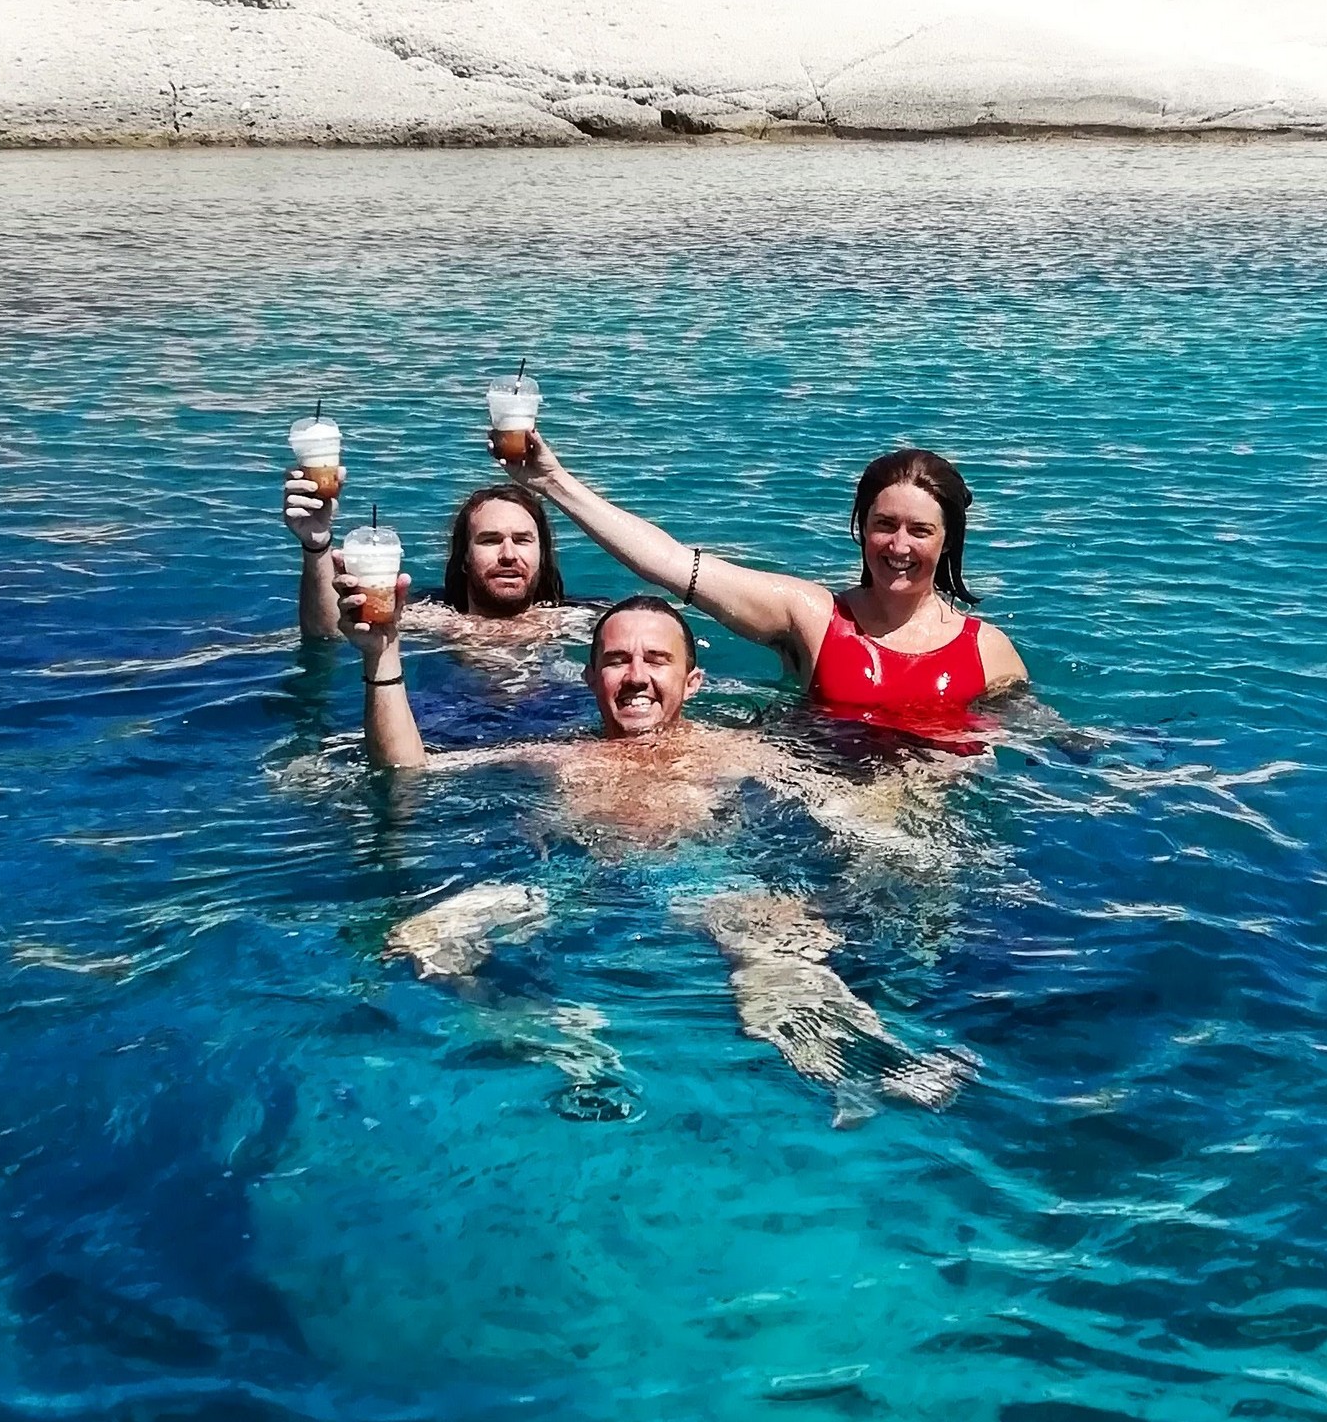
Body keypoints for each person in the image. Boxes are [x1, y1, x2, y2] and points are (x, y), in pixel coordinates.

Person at [341, 572, 971, 1110]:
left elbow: (835, 804)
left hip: (705, 881)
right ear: (590, 677)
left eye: (656, 660)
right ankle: (553, 1036)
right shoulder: (557, 757)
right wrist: (382, 657)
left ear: (692, 682)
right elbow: (408, 772)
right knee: (424, 939)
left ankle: (868, 1073)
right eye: (617, 660)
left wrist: (908, 834)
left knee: (776, 951)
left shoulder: (735, 751)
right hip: (571, 882)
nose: (636, 677)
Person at [493, 437, 1026, 733]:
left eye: (920, 530)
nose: (899, 546)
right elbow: (672, 563)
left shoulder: (988, 652)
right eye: (884, 525)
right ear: (862, 530)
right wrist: (551, 483)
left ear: (948, 541)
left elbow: (1033, 730)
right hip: (817, 811)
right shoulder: (812, 618)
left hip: (929, 831)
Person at [285, 475, 571, 642]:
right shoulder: (433, 617)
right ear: (464, 558)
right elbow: (327, 633)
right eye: (490, 540)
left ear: (542, 555)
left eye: (522, 540)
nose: (508, 555)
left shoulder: (575, 621)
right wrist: (316, 544)